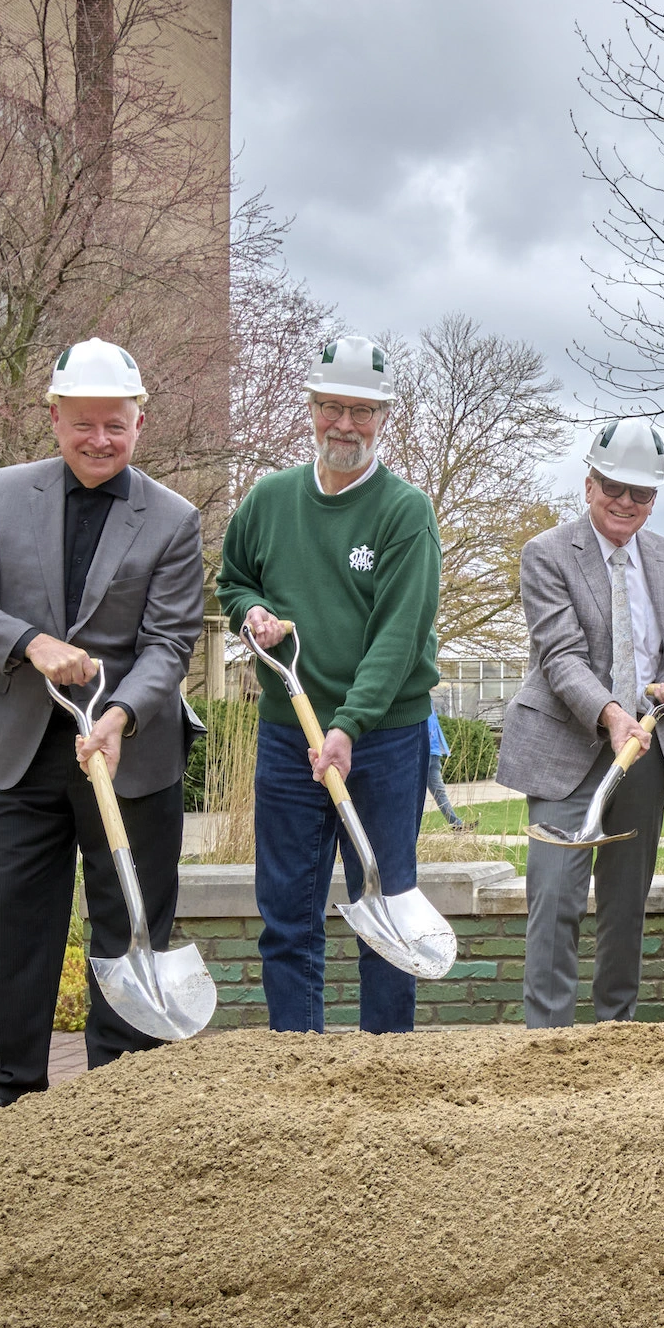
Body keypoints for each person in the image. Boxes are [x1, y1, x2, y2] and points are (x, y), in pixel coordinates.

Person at [0, 340, 207, 1137]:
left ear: (139, 422)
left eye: (115, 425)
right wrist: (28, 643)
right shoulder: (4, 495)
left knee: (127, 922)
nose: (99, 441)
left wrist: (121, 715)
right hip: (21, 751)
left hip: (130, 754)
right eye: (83, 424)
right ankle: (11, 1090)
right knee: (16, 917)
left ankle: (117, 1097)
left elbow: (170, 643)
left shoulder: (174, 518)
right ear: (54, 417)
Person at [216, 336, 444, 1035]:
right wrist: (248, 611)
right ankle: (298, 1061)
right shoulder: (269, 500)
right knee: (286, 912)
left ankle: (387, 1070)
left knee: (384, 910)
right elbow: (234, 578)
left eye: (362, 411)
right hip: (288, 735)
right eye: (332, 407)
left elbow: (397, 640)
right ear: (311, 408)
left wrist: (348, 727)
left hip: (381, 739)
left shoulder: (405, 513)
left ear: (383, 418)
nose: (345, 424)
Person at [501, 418, 664, 1027]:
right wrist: (612, 714)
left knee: (624, 904)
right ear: (589, 484)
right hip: (566, 748)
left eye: (641, 493)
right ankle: (546, 1039)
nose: (625, 502)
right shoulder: (547, 553)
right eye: (614, 486)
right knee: (554, 896)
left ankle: (616, 1030)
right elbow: (559, 656)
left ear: (654, 499)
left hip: (643, 751)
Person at [423, 711, 467, 832]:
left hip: (434, 752)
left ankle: (457, 824)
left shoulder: (429, 703)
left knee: (439, 791)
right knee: (415, 795)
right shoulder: (420, 702)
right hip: (423, 753)